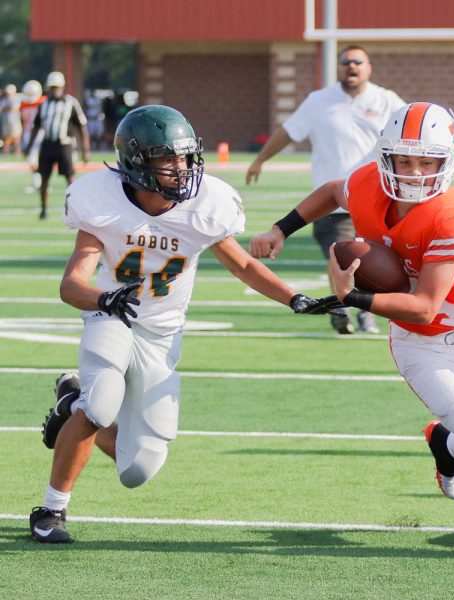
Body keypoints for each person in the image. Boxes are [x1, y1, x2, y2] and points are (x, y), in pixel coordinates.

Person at [250, 102, 454, 530]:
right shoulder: (368, 184)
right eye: (404, 160)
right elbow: (332, 191)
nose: (414, 172)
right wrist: (280, 229)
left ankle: (445, 445)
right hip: (420, 345)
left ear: (449, 160)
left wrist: (353, 297)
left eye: (427, 161)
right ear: (386, 157)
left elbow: (426, 305)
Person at [28, 105, 337, 544]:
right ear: (136, 161)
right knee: (101, 405)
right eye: (166, 158)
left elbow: (245, 265)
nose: (181, 168)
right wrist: (106, 298)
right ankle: (51, 510)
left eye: (186, 157)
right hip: (112, 315)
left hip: (162, 331)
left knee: (136, 468)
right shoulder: (102, 200)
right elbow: (71, 284)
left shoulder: (207, 204)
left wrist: (294, 299)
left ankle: (71, 402)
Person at [246, 45, 405, 335]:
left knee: (374, 260)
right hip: (330, 202)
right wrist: (260, 159)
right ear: (339, 68)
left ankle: (363, 310)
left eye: (358, 61)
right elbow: (288, 131)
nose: (352, 66)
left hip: (375, 199)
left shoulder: (387, 100)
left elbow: (409, 131)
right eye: (346, 62)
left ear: (369, 68)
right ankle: (344, 309)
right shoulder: (319, 101)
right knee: (341, 253)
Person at [23, 71, 90, 220]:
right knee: (44, 177)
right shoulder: (44, 104)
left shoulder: (71, 103)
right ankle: (43, 209)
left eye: (57, 87)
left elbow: (82, 127)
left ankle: (72, 210)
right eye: (52, 87)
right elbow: (36, 126)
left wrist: (85, 149)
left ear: (62, 86)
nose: (54, 90)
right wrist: (29, 146)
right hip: (47, 144)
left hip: (64, 144)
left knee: (70, 178)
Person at [19, 80, 47, 193]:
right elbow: (22, 121)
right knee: (31, 160)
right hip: (27, 133)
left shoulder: (43, 102)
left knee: (37, 159)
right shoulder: (23, 104)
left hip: (40, 133)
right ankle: (38, 183)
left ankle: (40, 183)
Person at [1, 84, 23, 155]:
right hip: (6, 123)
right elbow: (3, 109)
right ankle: (5, 152)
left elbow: (13, 107)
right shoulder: (4, 100)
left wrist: (7, 108)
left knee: (16, 138)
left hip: (15, 122)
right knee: (6, 138)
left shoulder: (16, 99)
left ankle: (17, 152)